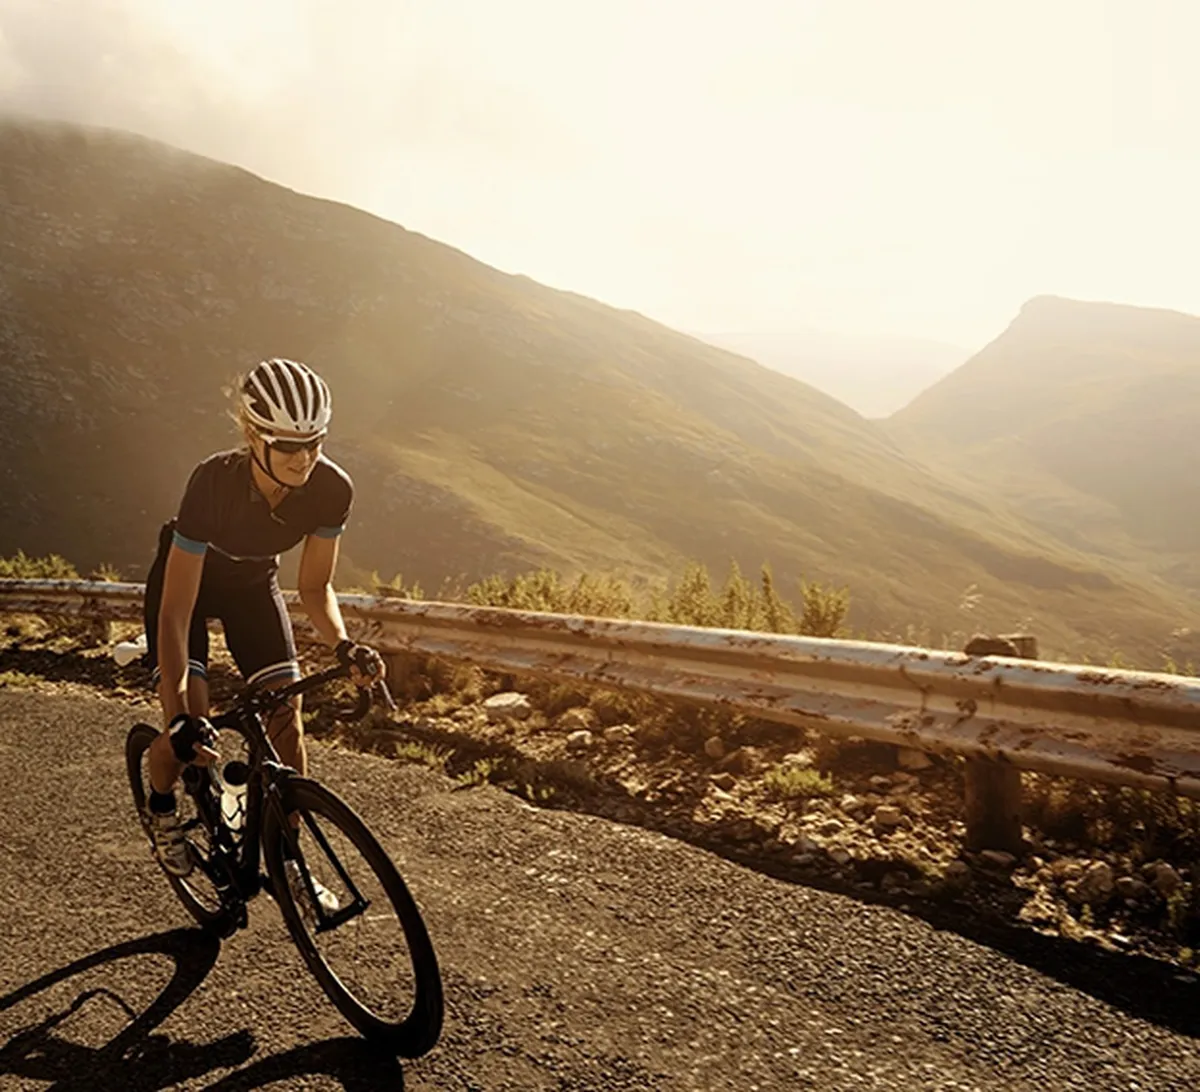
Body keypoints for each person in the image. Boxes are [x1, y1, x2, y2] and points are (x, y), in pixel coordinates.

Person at [142, 357, 384, 912]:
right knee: (192, 735)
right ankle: (162, 813)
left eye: (314, 443)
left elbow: (316, 585)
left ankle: (290, 862)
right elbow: (177, 611)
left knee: (286, 723)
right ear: (253, 435)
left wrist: (343, 645)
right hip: (188, 592)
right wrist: (178, 712)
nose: (303, 458)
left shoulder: (330, 489)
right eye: (287, 445)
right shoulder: (212, 483)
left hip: (253, 586)